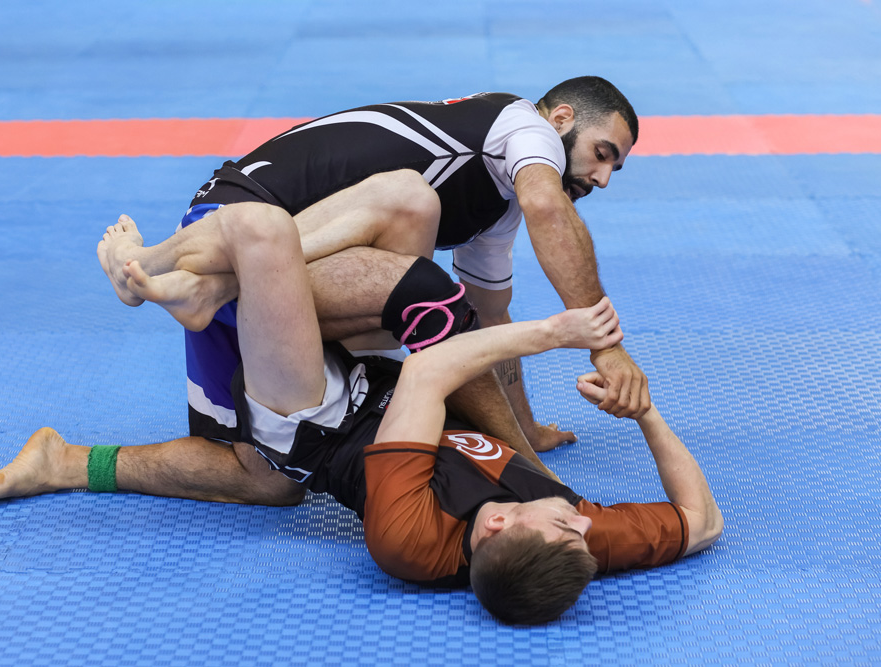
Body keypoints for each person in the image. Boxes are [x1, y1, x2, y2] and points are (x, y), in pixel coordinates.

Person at [0, 211, 723, 625]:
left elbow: (430, 371)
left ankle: (179, 277)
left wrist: (553, 332)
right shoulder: (573, 547)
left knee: (260, 229)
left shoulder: (410, 541)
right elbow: (702, 522)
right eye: (580, 528)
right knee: (409, 203)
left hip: (312, 413)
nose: (580, 516)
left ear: (496, 525)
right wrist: (647, 415)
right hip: (381, 382)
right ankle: (206, 303)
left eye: (563, 522)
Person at [96, 75, 650, 465]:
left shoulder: (497, 204)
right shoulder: (523, 128)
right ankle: (186, 269)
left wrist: (523, 427)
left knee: (262, 475)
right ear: (560, 119)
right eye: (602, 153)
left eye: (616, 169)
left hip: (277, 280)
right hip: (228, 225)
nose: (602, 178)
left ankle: (211, 290)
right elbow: (546, 206)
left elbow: (490, 320)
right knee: (412, 207)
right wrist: (604, 345)